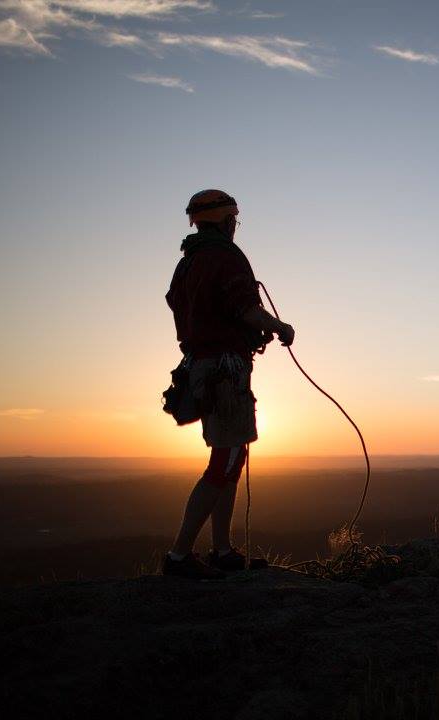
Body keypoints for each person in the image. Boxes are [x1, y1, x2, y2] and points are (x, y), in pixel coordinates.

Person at [161, 189, 295, 579]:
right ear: (225, 219)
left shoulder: (186, 264)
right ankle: (180, 556)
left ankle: (222, 550)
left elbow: (179, 305)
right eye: (234, 217)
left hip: (200, 366)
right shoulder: (226, 257)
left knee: (231, 459)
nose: (236, 224)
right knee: (225, 461)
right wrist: (278, 327)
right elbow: (245, 309)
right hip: (226, 369)